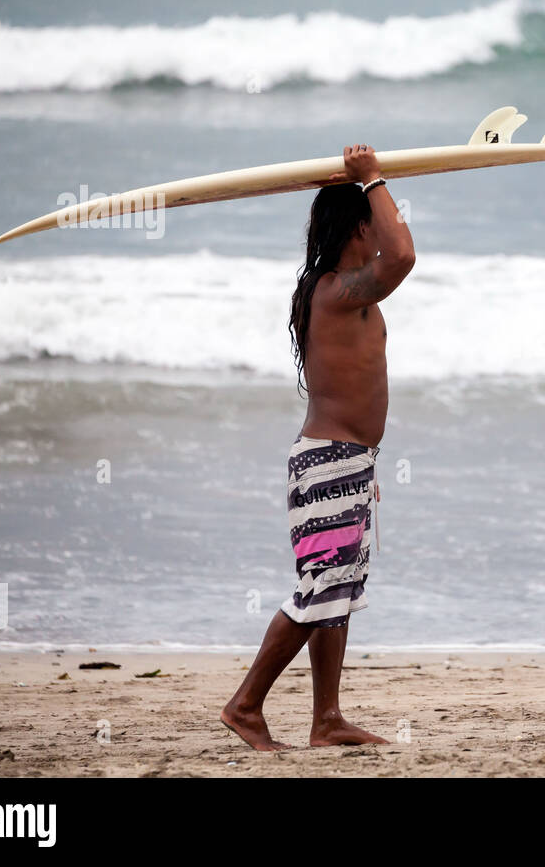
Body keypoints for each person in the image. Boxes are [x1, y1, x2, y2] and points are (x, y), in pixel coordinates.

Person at [221, 144, 415, 750]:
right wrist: (373, 179)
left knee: (339, 592)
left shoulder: (337, 291)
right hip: (329, 459)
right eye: (370, 222)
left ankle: (326, 720)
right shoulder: (337, 291)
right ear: (357, 229)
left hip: (346, 461)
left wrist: (361, 464)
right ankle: (246, 705)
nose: (378, 234)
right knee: (319, 590)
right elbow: (403, 254)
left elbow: (391, 252)